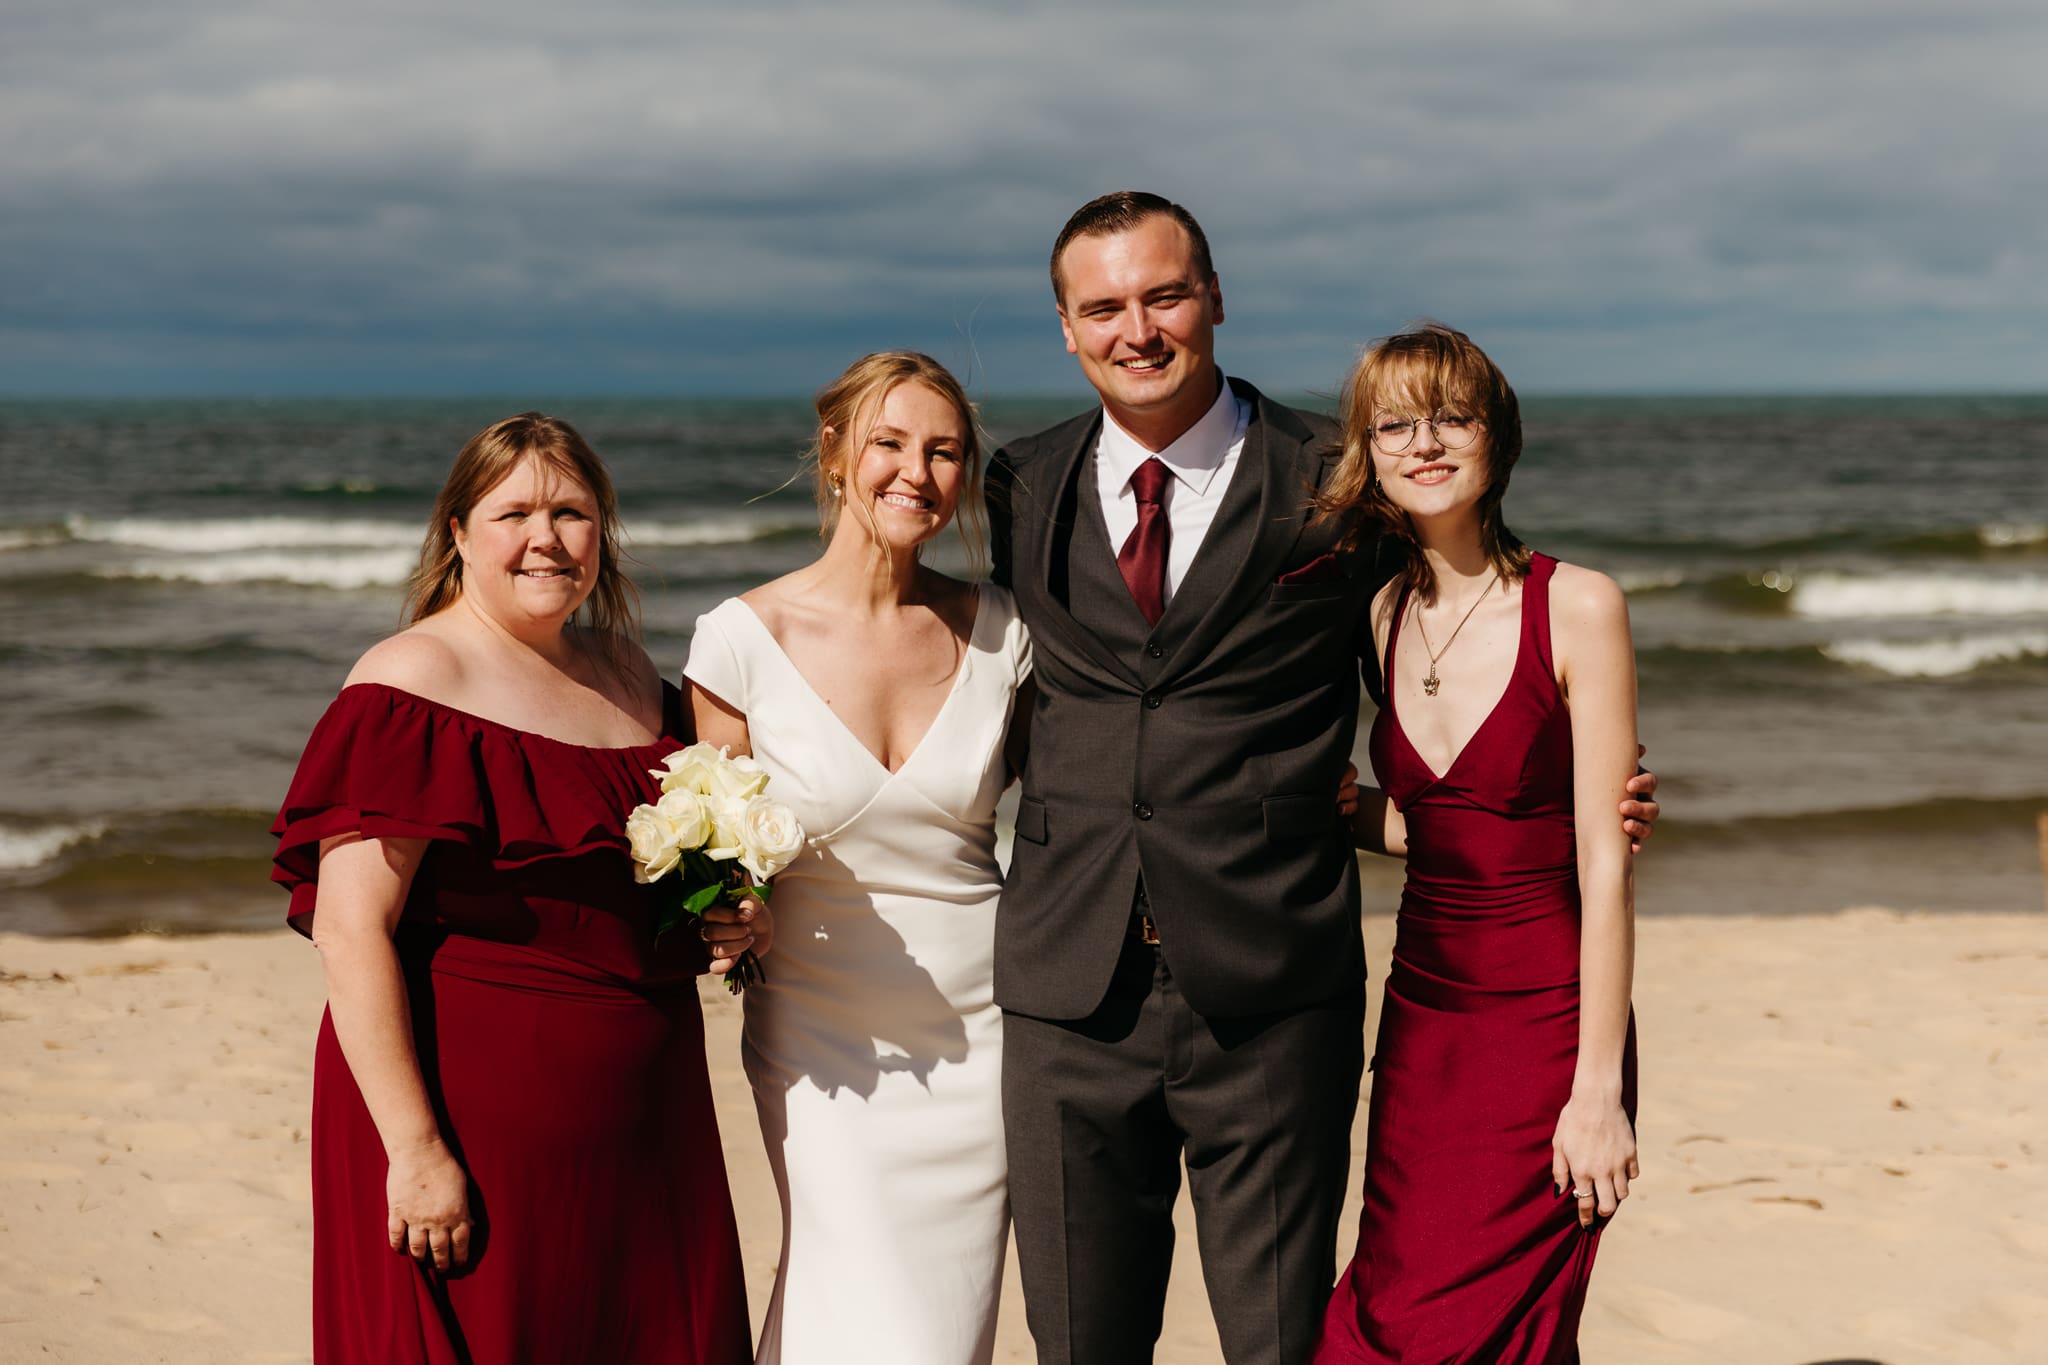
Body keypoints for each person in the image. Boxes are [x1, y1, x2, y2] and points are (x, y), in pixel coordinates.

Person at [986, 192, 1660, 1365]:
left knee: (1284, 1341)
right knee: (1076, 1342)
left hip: (1270, 987)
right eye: (1102, 308)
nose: (1135, 328)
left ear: (1213, 299)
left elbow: (1462, 642)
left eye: (1163, 295)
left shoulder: (1337, 481)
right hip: (1063, 987)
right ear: (1064, 328)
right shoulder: (1017, 483)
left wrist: (1546, 807)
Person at [270, 413, 760, 1364]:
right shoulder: (410, 682)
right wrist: (415, 1153)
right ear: (458, 532)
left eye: (573, 512)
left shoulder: (629, 675)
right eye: (515, 513)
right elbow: (350, 929)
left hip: (649, 1117)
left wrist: (731, 909)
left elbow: (664, 874)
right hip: (469, 1121)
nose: (547, 538)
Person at [685, 353, 1031, 1365]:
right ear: (836, 454)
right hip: (818, 1037)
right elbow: (717, 855)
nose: (913, 473)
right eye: (888, 443)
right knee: (849, 1293)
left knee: (939, 1327)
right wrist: (732, 917)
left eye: (943, 451)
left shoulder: (1004, 635)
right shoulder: (739, 642)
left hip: (984, 1034)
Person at [1312, 326, 1639, 1363]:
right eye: (1393, 424)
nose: (1424, 444)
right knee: (1390, 1310)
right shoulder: (1376, 612)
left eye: (1449, 416)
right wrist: (1312, 806)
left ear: (1495, 435)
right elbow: (1436, 827)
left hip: (1546, 1022)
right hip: (1419, 1023)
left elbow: (1601, 860)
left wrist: (1596, 1093)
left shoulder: (1577, 604)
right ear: (1367, 452)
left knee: (1504, 1330)